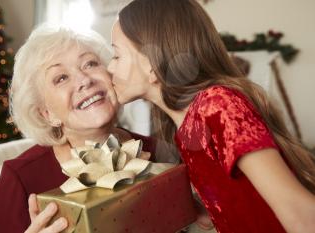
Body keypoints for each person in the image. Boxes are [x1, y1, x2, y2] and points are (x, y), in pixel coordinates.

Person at [107, 0, 315, 232]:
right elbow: (218, 215)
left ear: (152, 64)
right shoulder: (185, 129)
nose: (110, 68)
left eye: (116, 56)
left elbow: (301, 215)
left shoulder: (216, 107)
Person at [0, 25, 158, 233]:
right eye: (61, 78)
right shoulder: (20, 180)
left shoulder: (158, 151)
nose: (85, 80)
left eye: (90, 63)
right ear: (47, 114)